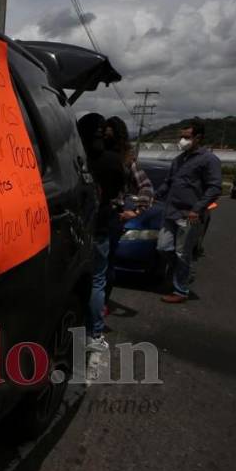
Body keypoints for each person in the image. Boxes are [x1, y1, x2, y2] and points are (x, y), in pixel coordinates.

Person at [153, 120, 222, 303]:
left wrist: (197, 209)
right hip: (171, 212)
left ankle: (180, 290)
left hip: (189, 215)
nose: (182, 140)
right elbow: (169, 182)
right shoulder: (179, 159)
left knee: (182, 252)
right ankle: (184, 272)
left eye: (187, 137)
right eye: (181, 136)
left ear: (198, 138)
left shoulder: (209, 160)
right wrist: (155, 195)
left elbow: (214, 188)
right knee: (163, 247)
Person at [77, 113, 125, 351]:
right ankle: (93, 333)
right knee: (97, 281)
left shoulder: (73, 158)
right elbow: (116, 190)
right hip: (100, 227)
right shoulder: (113, 160)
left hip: (73, 229)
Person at [103, 116, 154, 311]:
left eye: (109, 133)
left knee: (106, 264)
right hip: (92, 215)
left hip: (113, 216)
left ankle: (103, 304)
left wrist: (137, 210)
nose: (105, 137)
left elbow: (146, 186)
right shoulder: (95, 154)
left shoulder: (127, 159)